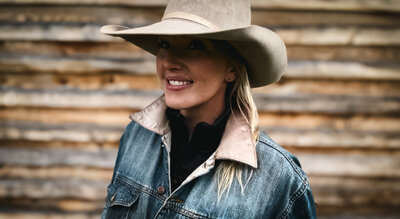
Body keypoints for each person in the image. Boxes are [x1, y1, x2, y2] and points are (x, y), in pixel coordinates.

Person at [100, 0, 316, 218]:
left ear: (232, 68)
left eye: (194, 45)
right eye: (164, 44)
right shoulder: (136, 136)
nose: (170, 63)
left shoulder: (278, 178)